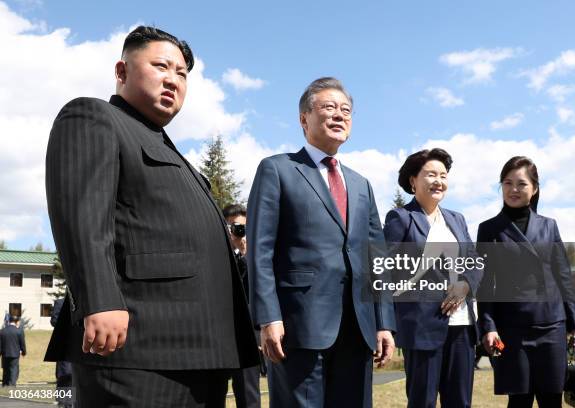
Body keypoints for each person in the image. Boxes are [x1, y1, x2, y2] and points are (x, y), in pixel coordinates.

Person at [44, 25, 259, 407]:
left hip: (201, 356)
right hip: (137, 348)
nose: (173, 80)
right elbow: (81, 218)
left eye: (182, 73)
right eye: (161, 66)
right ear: (122, 71)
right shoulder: (94, 117)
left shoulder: (179, 158)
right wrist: (98, 298)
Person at [247, 77, 396, 408]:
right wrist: (268, 317)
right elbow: (260, 251)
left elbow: (377, 258)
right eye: (329, 107)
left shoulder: (361, 185)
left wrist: (384, 322)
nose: (339, 115)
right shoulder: (277, 169)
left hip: (358, 329)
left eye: (346, 110)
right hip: (299, 326)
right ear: (304, 118)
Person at [477, 156, 575, 408]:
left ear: (534, 188)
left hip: (551, 325)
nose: (514, 189)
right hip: (511, 329)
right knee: (519, 400)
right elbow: (485, 284)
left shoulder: (549, 226)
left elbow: (563, 276)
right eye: (507, 183)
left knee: (551, 400)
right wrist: (488, 326)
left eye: (521, 183)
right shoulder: (489, 229)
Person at [383, 148, 483, 408]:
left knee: (460, 402)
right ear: (413, 181)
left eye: (444, 175)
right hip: (421, 326)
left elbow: (475, 262)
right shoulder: (401, 218)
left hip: (462, 326)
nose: (439, 180)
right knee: (422, 401)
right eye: (431, 174)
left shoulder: (457, 219)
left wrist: (466, 284)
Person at [222, 204, 261, 408]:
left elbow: (256, 288)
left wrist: (246, 254)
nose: (236, 233)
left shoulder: (254, 258)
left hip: (245, 338)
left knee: (248, 397)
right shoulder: (215, 255)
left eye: (241, 228)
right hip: (218, 338)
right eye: (231, 228)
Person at [0, 315, 26, 386]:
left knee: (5, 370)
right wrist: (23, 352)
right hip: (15, 354)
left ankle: (5, 385)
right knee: (13, 370)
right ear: (17, 321)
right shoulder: (19, 331)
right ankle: (11, 386)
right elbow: (22, 343)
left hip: (5, 354)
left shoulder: (2, 331)